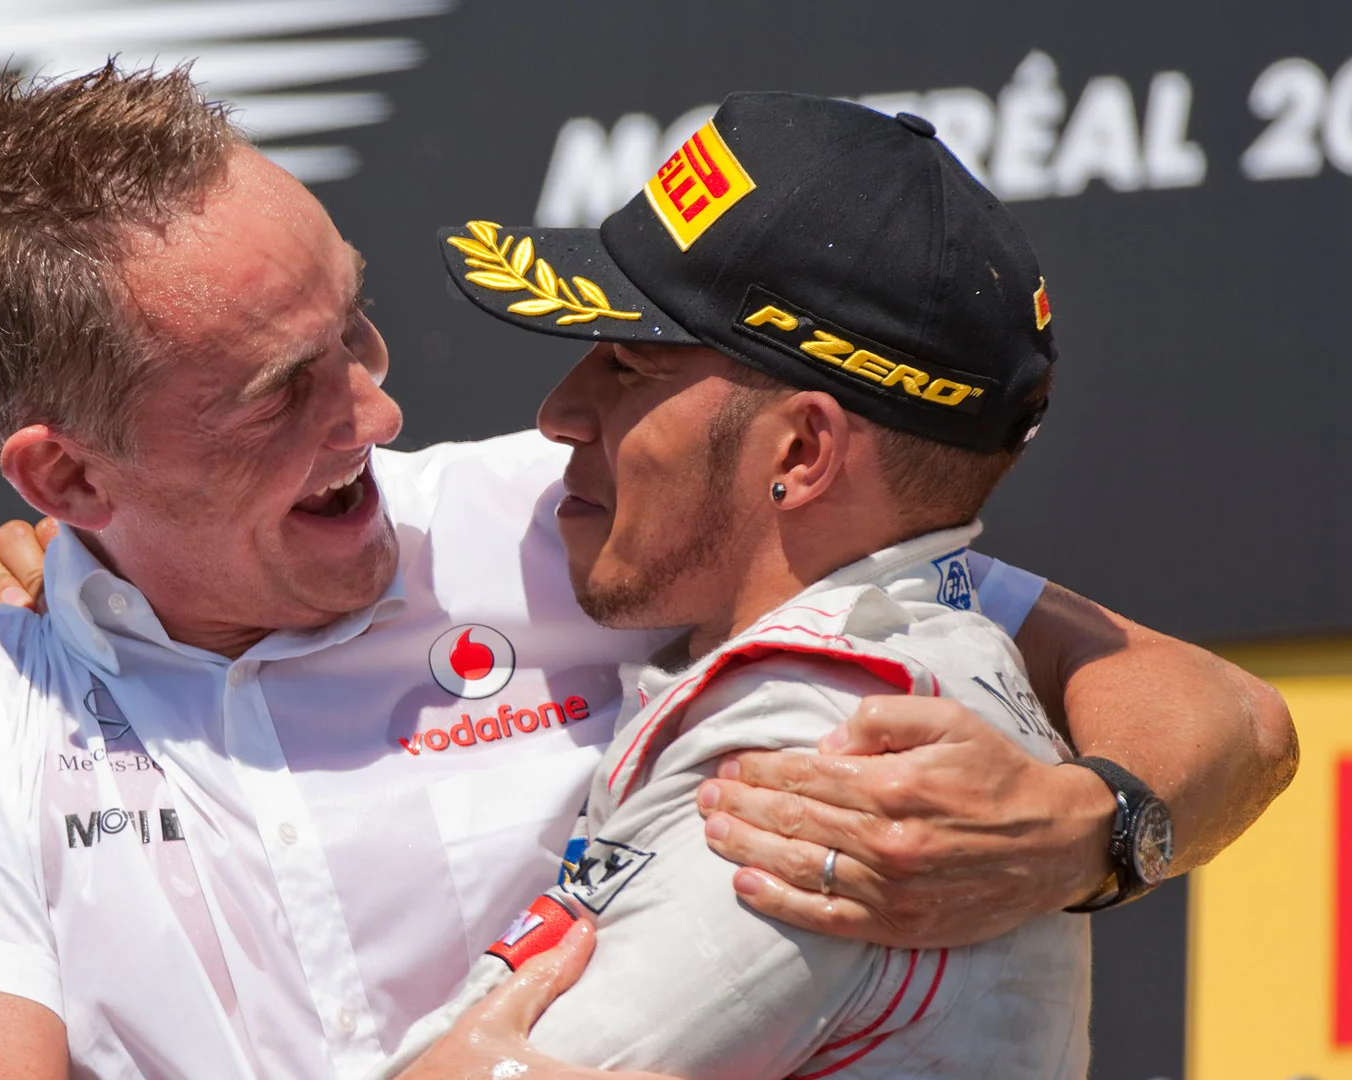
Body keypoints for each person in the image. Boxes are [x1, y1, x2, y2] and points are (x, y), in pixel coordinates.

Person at [0, 64, 1292, 1080]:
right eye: (279, 391)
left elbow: (1217, 711)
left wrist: (1097, 830)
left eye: (354, 329)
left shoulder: (561, 521)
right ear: (68, 478)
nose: (377, 409)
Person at [378, 91, 1094, 1079]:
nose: (558, 413)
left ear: (801, 450)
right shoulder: (899, 663)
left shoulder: (833, 745)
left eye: (627, 368)